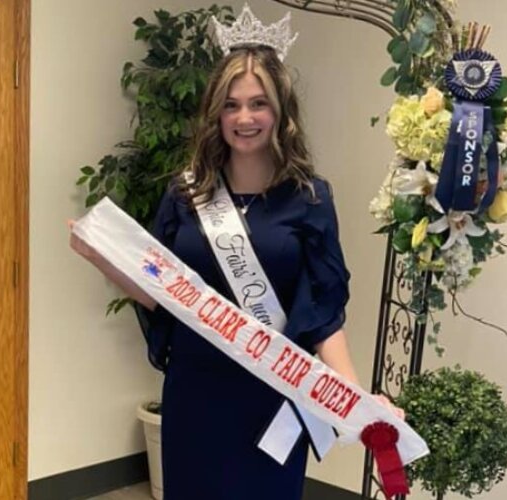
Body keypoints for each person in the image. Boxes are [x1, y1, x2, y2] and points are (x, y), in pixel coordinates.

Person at [70, 6, 403, 499]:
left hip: (270, 396)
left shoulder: (311, 198)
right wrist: (102, 257)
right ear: (215, 114)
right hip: (195, 390)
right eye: (230, 105)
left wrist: (353, 396)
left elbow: (324, 312)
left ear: (281, 111)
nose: (244, 117)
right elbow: (163, 296)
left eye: (257, 103)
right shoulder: (185, 195)